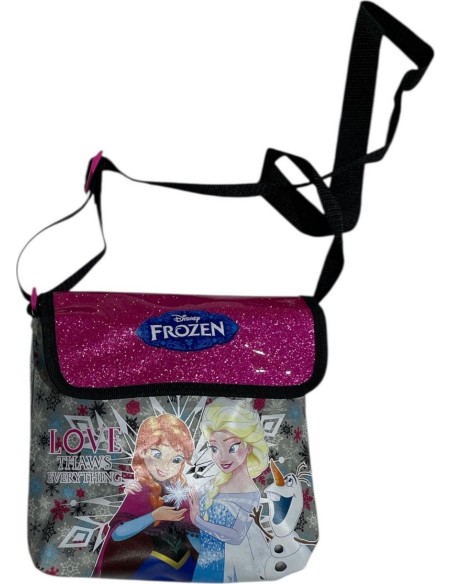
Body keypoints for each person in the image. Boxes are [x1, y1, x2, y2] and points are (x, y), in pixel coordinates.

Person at [93, 414, 198, 580]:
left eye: (176, 459)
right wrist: (154, 516)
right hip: (146, 567)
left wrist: (197, 520)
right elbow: (117, 534)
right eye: (157, 454)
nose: (165, 466)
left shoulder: (181, 492)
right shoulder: (140, 490)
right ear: (142, 451)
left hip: (186, 567)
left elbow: (196, 540)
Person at [188, 398, 270, 582]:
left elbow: (236, 536)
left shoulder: (250, 493)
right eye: (214, 448)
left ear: (249, 446)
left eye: (232, 447)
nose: (223, 458)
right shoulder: (213, 484)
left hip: (228, 572)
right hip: (204, 564)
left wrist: (198, 521)